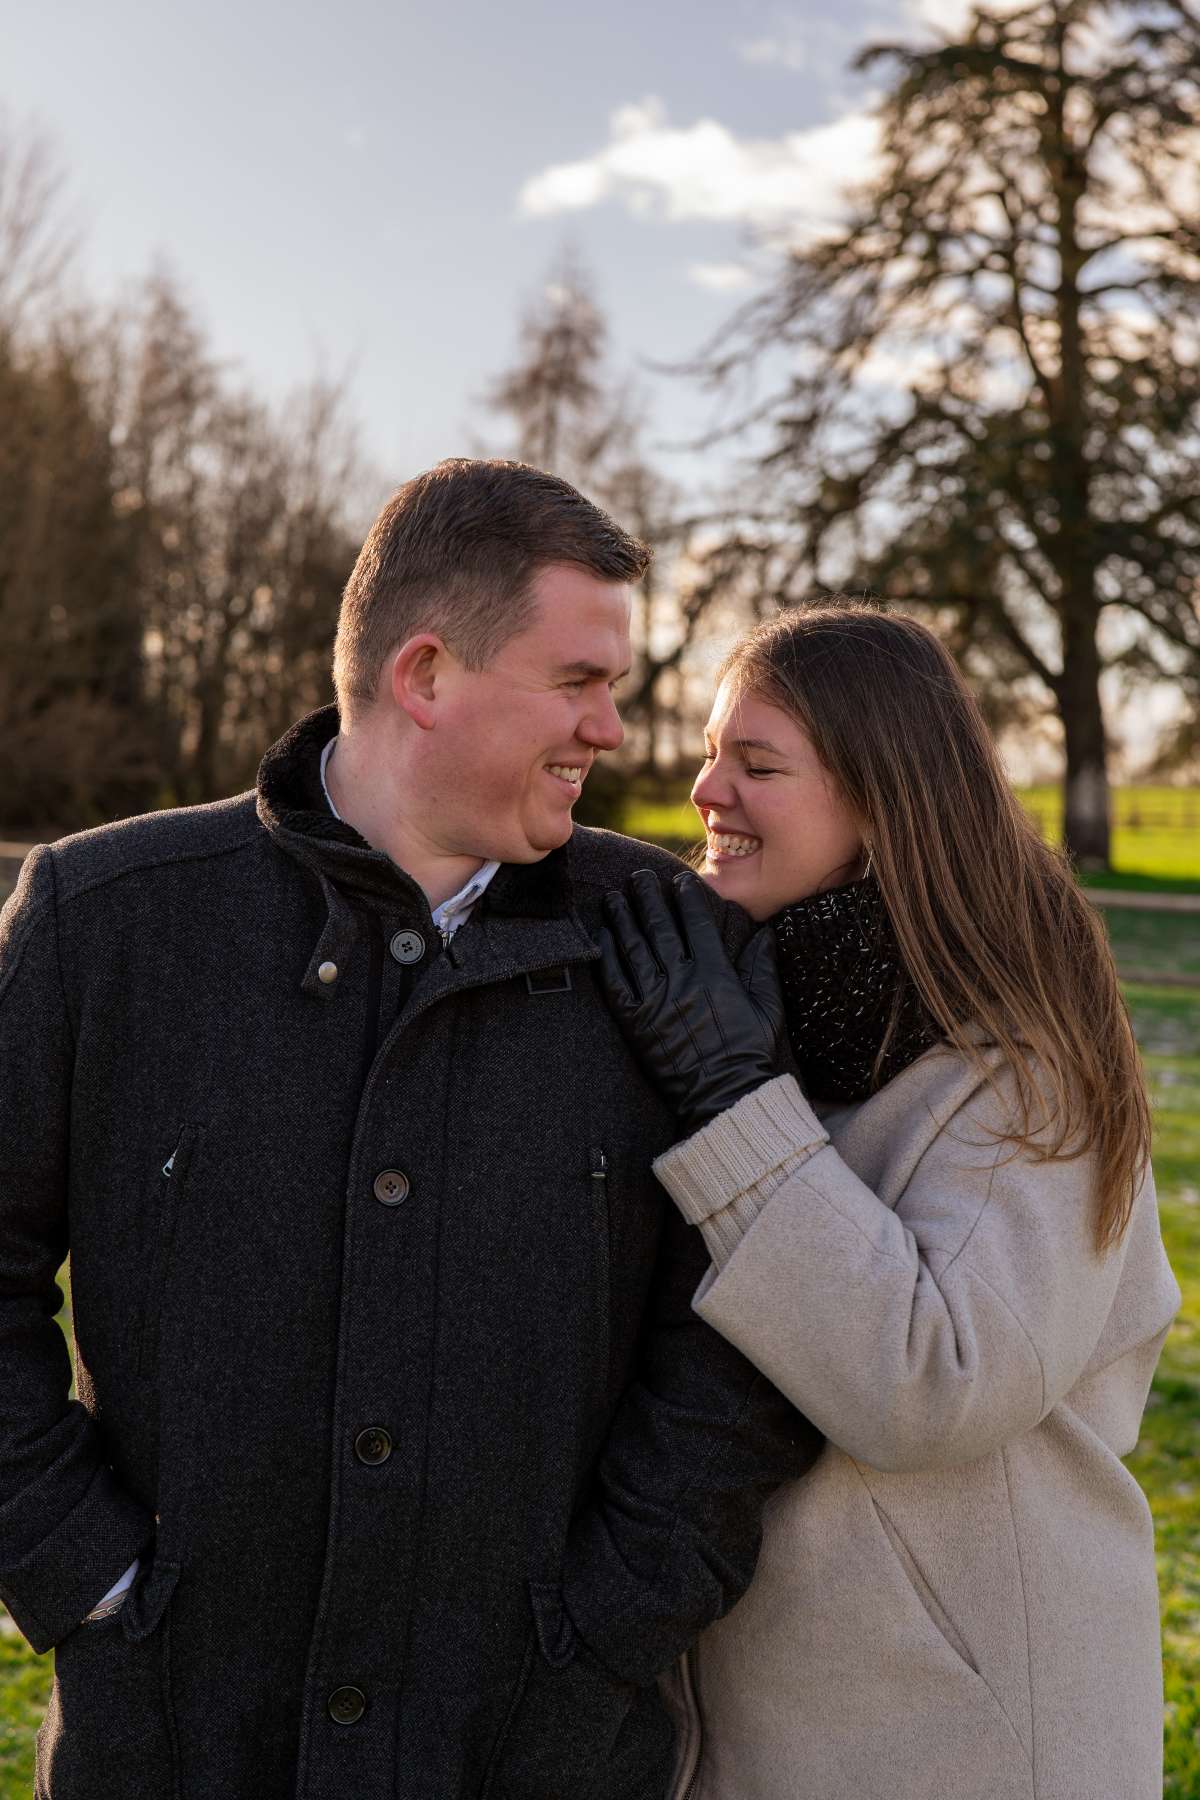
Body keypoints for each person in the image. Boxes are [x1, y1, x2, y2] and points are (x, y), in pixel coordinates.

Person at [0, 459, 815, 1800]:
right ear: (425, 675)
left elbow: (739, 1339)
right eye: (580, 680)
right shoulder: (105, 922)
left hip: (539, 1749)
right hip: (175, 1741)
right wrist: (80, 1571)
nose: (613, 729)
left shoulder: (675, 949)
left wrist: (606, 1631)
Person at [600, 602, 1181, 1800]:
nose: (707, 790)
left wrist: (731, 1101)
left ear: (885, 801)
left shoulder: (1026, 1068)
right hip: (755, 1734)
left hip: (959, 1740)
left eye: (758, 764)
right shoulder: (773, 1019)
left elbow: (935, 1382)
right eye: (713, 751)